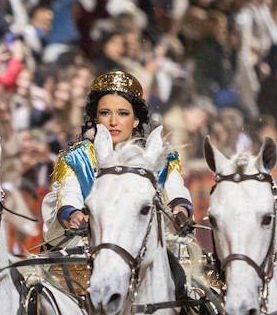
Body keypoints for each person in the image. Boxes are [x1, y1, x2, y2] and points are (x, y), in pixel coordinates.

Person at [41, 69, 192, 244]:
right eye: (105, 113)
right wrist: (73, 214)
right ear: (96, 118)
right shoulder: (77, 158)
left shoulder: (161, 157)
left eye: (123, 113)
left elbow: (175, 190)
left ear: (135, 120)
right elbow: (69, 194)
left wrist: (180, 208)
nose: (113, 122)